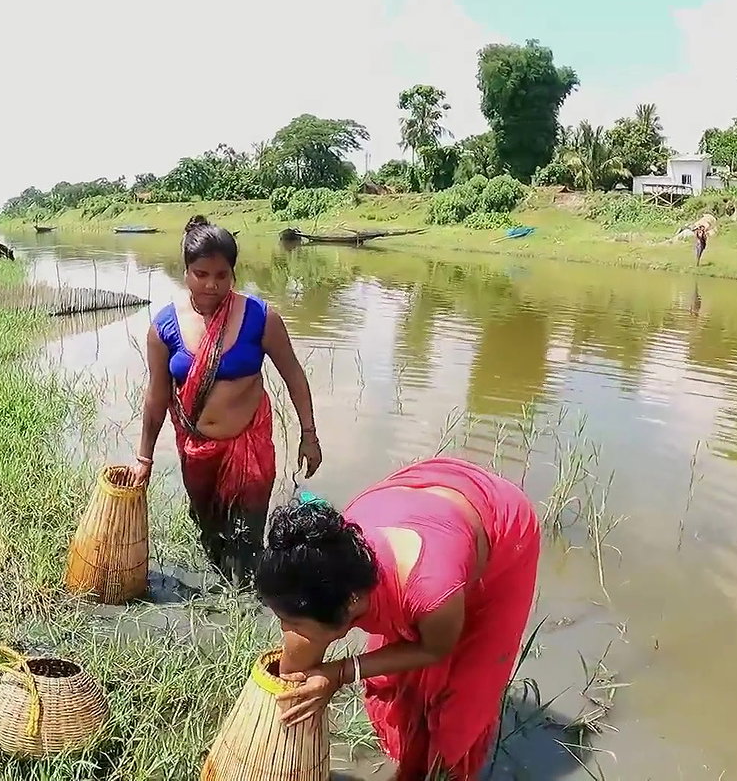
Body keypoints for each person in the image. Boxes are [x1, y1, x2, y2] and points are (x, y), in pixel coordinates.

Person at [256, 457, 540, 780]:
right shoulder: (319, 567)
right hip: (420, 497)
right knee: (393, 688)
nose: (285, 629)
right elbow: (295, 672)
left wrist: (339, 673)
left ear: (350, 606)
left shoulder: (431, 592)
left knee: (461, 705)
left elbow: (435, 649)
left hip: (502, 530)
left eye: (293, 623)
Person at [133, 215, 321, 584]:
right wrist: (144, 458)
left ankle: (247, 597)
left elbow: (294, 376)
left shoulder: (260, 318)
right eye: (201, 274)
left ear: (233, 274)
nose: (211, 285)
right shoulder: (164, 327)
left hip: (248, 447)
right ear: (185, 271)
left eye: (222, 275)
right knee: (209, 531)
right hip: (196, 448)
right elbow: (157, 397)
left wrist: (309, 435)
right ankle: (223, 595)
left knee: (248, 538)